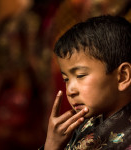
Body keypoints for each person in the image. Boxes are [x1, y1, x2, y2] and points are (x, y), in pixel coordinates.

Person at [40, 15, 131, 150]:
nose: (70, 90)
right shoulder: (86, 124)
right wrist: (51, 145)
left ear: (122, 76)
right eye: (66, 79)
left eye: (80, 75)